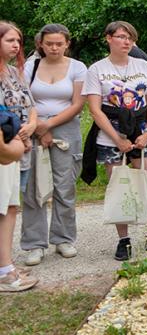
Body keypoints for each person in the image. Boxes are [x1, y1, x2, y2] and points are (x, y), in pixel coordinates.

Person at [82, 21, 147, 260]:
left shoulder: (142, 65)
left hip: (142, 130)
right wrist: (117, 139)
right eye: (122, 37)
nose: (127, 42)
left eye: (131, 38)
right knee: (120, 187)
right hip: (110, 134)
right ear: (109, 38)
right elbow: (95, 109)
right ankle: (123, 239)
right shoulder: (97, 70)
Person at [20, 24, 86, 266]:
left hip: (66, 129)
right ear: (41, 44)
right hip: (32, 127)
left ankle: (63, 238)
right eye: (49, 43)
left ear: (67, 43)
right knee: (32, 187)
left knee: (64, 185)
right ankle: (34, 244)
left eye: (59, 43)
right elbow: (25, 97)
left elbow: (78, 104)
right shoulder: (30, 66)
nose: (54, 47)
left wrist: (50, 125)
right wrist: (39, 126)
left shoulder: (78, 68)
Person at [0, 22, 38, 292]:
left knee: (12, 206)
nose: (16, 45)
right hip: (5, 148)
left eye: (18, 41)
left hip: (21, 147)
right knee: (1, 208)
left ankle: (6, 262)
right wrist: (14, 142)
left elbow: (30, 105)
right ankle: (4, 272)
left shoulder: (14, 71)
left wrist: (32, 127)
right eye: (10, 40)